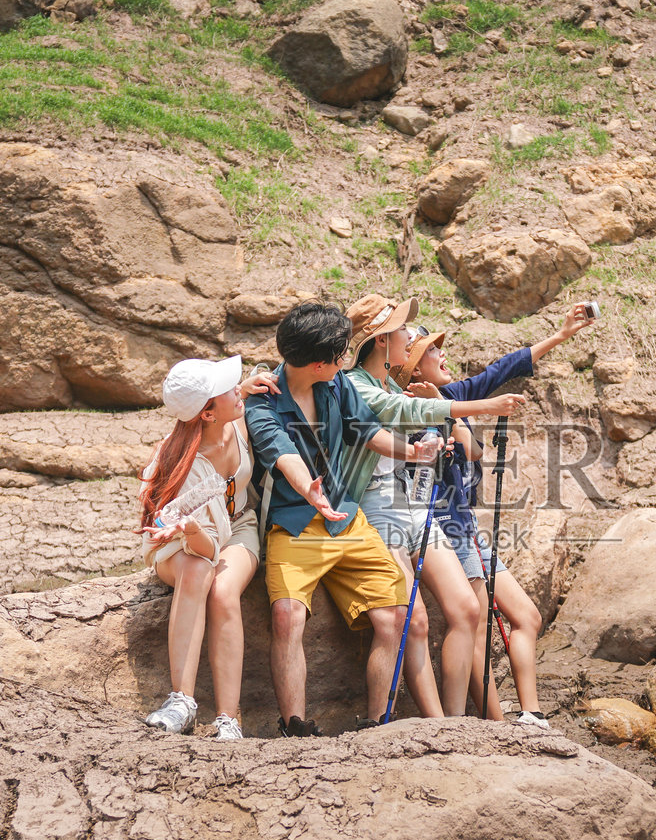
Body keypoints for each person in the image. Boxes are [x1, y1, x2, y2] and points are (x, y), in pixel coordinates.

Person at [244, 302, 442, 737]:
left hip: (347, 519)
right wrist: (308, 491)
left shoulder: (336, 386)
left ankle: (376, 724)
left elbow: (365, 430)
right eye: (339, 358)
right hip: (295, 522)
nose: (345, 363)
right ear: (319, 363)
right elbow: (280, 451)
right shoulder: (263, 399)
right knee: (287, 615)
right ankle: (295, 727)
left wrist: (412, 452)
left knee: (394, 617)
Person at [396, 301, 596, 726]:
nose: (443, 354)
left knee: (527, 617)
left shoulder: (453, 395)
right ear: (414, 370)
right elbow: (472, 449)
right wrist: (442, 414)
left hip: (469, 533)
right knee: (477, 623)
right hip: (445, 532)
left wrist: (560, 336)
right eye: (433, 351)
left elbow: (503, 369)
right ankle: (494, 724)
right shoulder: (405, 412)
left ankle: (531, 714)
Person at [341, 294, 527, 719]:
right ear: (382, 341)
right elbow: (405, 410)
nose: (411, 336)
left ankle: (457, 720)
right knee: (415, 621)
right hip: (377, 510)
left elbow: (409, 417)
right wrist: (485, 407)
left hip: (413, 508)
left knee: (467, 608)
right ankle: (434, 725)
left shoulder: (387, 383)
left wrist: (423, 447)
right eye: (403, 330)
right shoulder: (355, 385)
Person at [139, 355, 277, 740]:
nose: (238, 390)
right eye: (228, 389)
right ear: (207, 414)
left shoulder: (238, 420)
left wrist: (246, 388)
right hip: (182, 542)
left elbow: (226, 533)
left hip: (239, 525)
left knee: (223, 590)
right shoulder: (181, 463)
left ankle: (228, 719)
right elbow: (201, 547)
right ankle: (181, 701)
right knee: (200, 571)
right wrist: (190, 528)